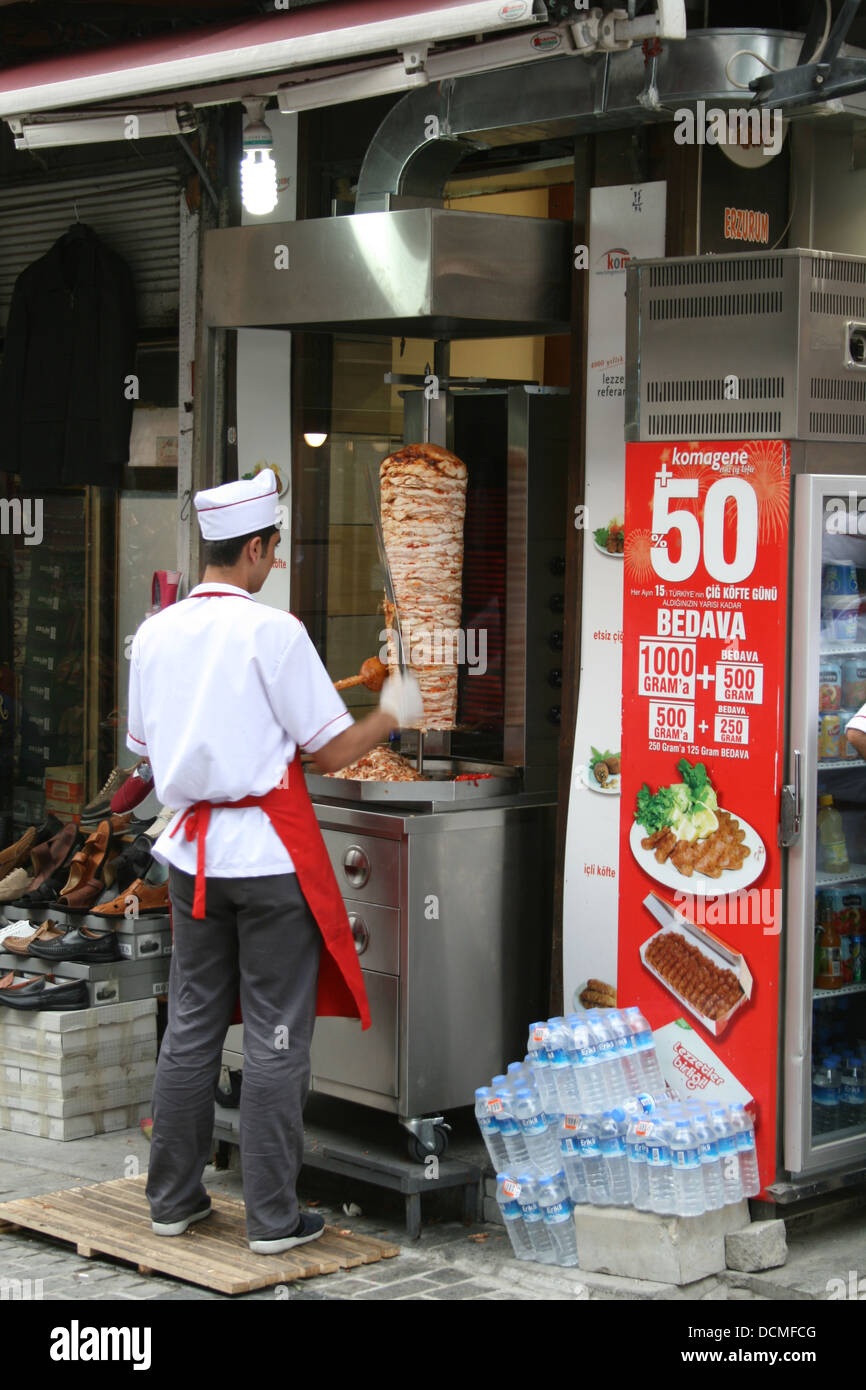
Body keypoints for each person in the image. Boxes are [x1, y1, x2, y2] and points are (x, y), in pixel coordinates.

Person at [126, 469, 422, 1254]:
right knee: (275, 1036)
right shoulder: (275, 632)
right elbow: (328, 749)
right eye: (273, 550)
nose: (273, 564)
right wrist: (392, 713)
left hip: (189, 854)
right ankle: (272, 1218)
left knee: (189, 1028)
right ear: (255, 548)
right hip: (263, 857)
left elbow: (146, 753)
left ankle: (173, 1201)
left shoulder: (155, 633)